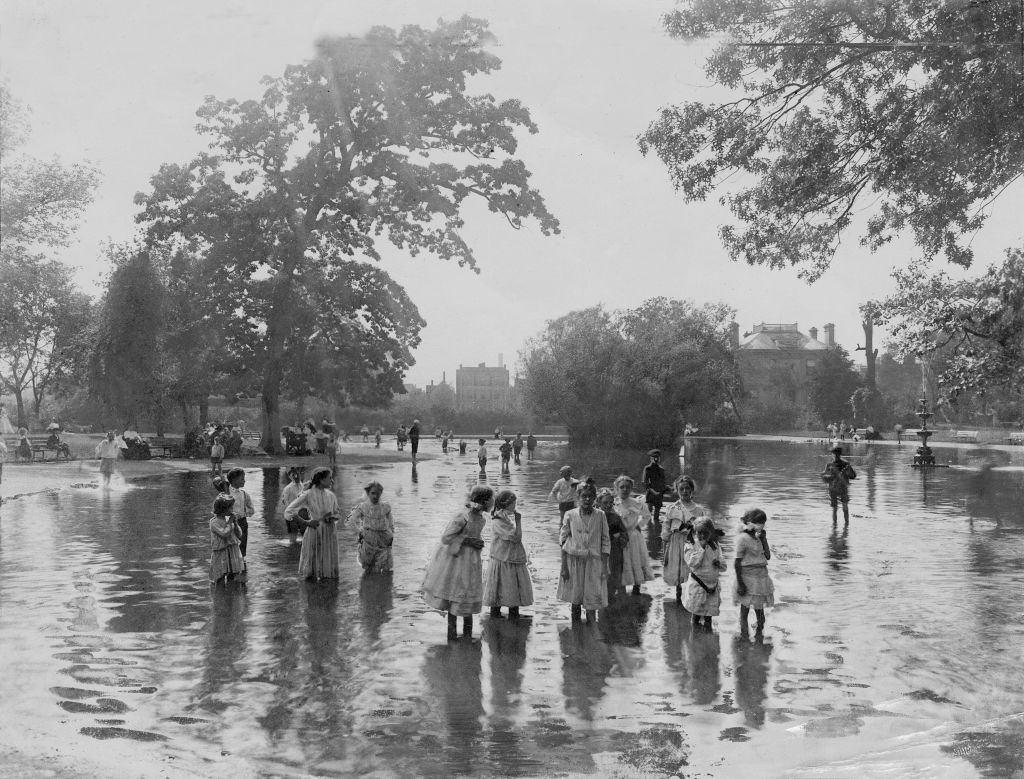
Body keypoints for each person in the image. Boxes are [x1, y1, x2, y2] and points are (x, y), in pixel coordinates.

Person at [422, 485, 493, 640]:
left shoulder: (481, 519)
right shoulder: (462, 517)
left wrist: (478, 542)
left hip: (471, 562)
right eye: (490, 500)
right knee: (455, 594)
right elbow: (446, 538)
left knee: (468, 594)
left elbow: (475, 535)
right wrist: (468, 540)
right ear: (484, 501)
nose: (492, 503)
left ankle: (467, 638)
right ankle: (452, 636)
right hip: (456, 561)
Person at [557, 482, 609, 623]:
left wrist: (604, 567)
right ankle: (576, 633)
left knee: (592, 600)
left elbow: (605, 542)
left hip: (594, 562)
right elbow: (563, 541)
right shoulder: (570, 515)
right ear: (578, 497)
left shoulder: (600, 515)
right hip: (575, 561)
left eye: (590, 496)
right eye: (584, 496)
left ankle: (591, 636)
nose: (587, 499)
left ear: (595, 498)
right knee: (576, 599)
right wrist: (564, 567)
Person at [284, 466, 342, 580]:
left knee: (328, 572)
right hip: (315, 531)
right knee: (312, 570)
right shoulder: (308, 494)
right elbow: (289, 511)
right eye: (329, 478)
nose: (332, 481)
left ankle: (326, 591)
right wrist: (306, 522)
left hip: (329, 533)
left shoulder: (331, 495)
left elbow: (338, 513)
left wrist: (332, 518)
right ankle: (311, 591)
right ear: (321, 480)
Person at [484, 490, 534, 618]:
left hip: (508, 557)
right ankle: (499, 618)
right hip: (503, 558)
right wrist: (518, 521)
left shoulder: (503, 517)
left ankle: (511, 617)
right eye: (513, 503)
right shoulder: (499, 520)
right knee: (502, 588)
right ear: (507, 504)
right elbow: (517, 538)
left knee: (510, 587)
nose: (515, 506)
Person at [662, 475, 704, 602]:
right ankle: (678, 593)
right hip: (675, 541)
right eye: (681, 489)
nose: (685, 491)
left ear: (692, 490)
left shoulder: (698, 510)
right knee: (676, 567)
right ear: (677, 491)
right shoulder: (672, 508)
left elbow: (703, 529)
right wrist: (664, 550)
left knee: (691, 568)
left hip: (690, 542)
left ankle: (691, 595)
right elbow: (666, 528)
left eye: (687, 488)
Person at [733, 508, 774, 635]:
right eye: (759, 522)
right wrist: (740, 583)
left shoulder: (758, 538)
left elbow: (767, 556)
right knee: (744, 611)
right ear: (750, 522)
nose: (761, 525)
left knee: (760, 613)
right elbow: (737, 562)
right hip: (747, 578)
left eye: (763, 522)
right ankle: (744, 637)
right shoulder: (743, 538)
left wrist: (764, 539)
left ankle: (759, 639)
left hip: (761, 579)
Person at [682, 517, 727, 629]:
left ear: (710, 533)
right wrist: (701, 548)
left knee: (709, 616)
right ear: (695, 532)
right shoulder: (690, 545)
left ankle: (707, 640)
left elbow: (723, 565)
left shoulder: (715, 545)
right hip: (698, 586)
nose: (702, 535)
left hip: (712, 586)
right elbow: (692, 563)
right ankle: (695, 639)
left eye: (705, 533)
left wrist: (719, 563)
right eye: (699, 533)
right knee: (696, 614)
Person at [614, 475, 654, 594]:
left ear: (631, 489)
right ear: (617, 489)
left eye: (627, 487)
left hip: (633, 536)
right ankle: (622, 585)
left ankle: (637, 585)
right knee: (622, 560)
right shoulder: (614, 503)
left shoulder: (637, 503)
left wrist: (639, 525)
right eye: (622, 487)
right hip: (619, 536)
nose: (625, 490)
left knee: (636, 558)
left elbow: (647, 516)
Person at [352, 481, 394, 574]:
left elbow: (390, 522)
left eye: (378, 493)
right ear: (368, 493)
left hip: (383, 538)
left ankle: (381, 585)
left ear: (381, 493)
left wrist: (391, 534)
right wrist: (360, 531)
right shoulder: (363, 507)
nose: (375, 496)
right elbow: (352, 520)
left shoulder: (385, 506)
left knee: (383, 565)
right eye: (373, 493)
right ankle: (368, 585)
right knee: (369, 565)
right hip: (369, 539)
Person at [596, 488, 627, 602]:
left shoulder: (616, 517)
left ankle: (611, 599)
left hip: (614, 551)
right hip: (598, 551)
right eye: (605, 503)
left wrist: (620, 537)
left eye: (610, 502)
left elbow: (624, 534)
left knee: (614, 575)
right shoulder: (595, 517)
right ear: (599, 503)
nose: (608, 505)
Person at [209, 494, 244, 583]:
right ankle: (220, 595)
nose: (232, 510)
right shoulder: (214, 522)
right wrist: (230, 522)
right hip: (221, 552)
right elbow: (224, 533)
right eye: (231, 508)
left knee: (233, 576)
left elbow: (239, 535)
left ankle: (229, 594)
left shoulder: (229, 521)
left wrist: (235, 524)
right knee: (219, 577)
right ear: (223, 509)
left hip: (232, 551)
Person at [226, 468, 255, 567]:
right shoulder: (226, 493)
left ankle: (241, 567)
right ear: (234, 480)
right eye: (242, 479)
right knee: (230, 545)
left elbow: (251, 510)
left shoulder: (244, 494)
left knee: (242, 545)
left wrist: (243, 513)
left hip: (242, 522)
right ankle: (231, 565)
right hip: (229, 523)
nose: (244, 481)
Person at [821, 444, 857, 523]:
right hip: (842, 488)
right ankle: (846, 527)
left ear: (834, 454)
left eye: (834, 454)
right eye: (835, 454)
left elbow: (824, 477)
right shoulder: (846, 464)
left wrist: (826, 476)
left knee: (835, 509)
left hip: (833, 489)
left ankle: (836, 527)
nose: (834, 455)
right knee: (844, 507)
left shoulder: (830, 465)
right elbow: (853, 476)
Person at [279, 467, 306, 544]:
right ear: (290, 477)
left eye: (297, 474)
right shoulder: (288, 488)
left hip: (302, 514)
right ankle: (292, 552)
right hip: (291, 515)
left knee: (305, 536)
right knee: (293, 540)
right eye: (293, 475)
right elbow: (285, 502)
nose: (296, 477)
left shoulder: (302, 486)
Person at [641, 449, 668, 524]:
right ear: (651, 458)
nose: (656, 459)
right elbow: (645, 482)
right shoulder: (648, 468)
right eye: (654, 457)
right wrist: (653, 492)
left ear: (660, 458)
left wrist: (664, 490)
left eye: (658, 457)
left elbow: (663, 483)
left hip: (659, 494)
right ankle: (650, 529)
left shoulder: (661, 469)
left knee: (657, 514)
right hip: (651, 493)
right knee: (648, 513)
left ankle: (656, 526)